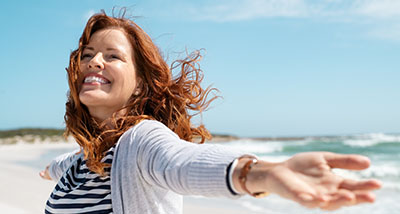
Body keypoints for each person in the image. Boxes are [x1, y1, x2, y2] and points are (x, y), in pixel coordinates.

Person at [40, 9, 381, 214]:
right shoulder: (83, 158)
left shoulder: (141, 141)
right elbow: (62, 165)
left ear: (141, 85)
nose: (94, 61)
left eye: (112, 55)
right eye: (87, 54)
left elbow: (180, 163)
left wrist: (258, 174)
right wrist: (48, 170)